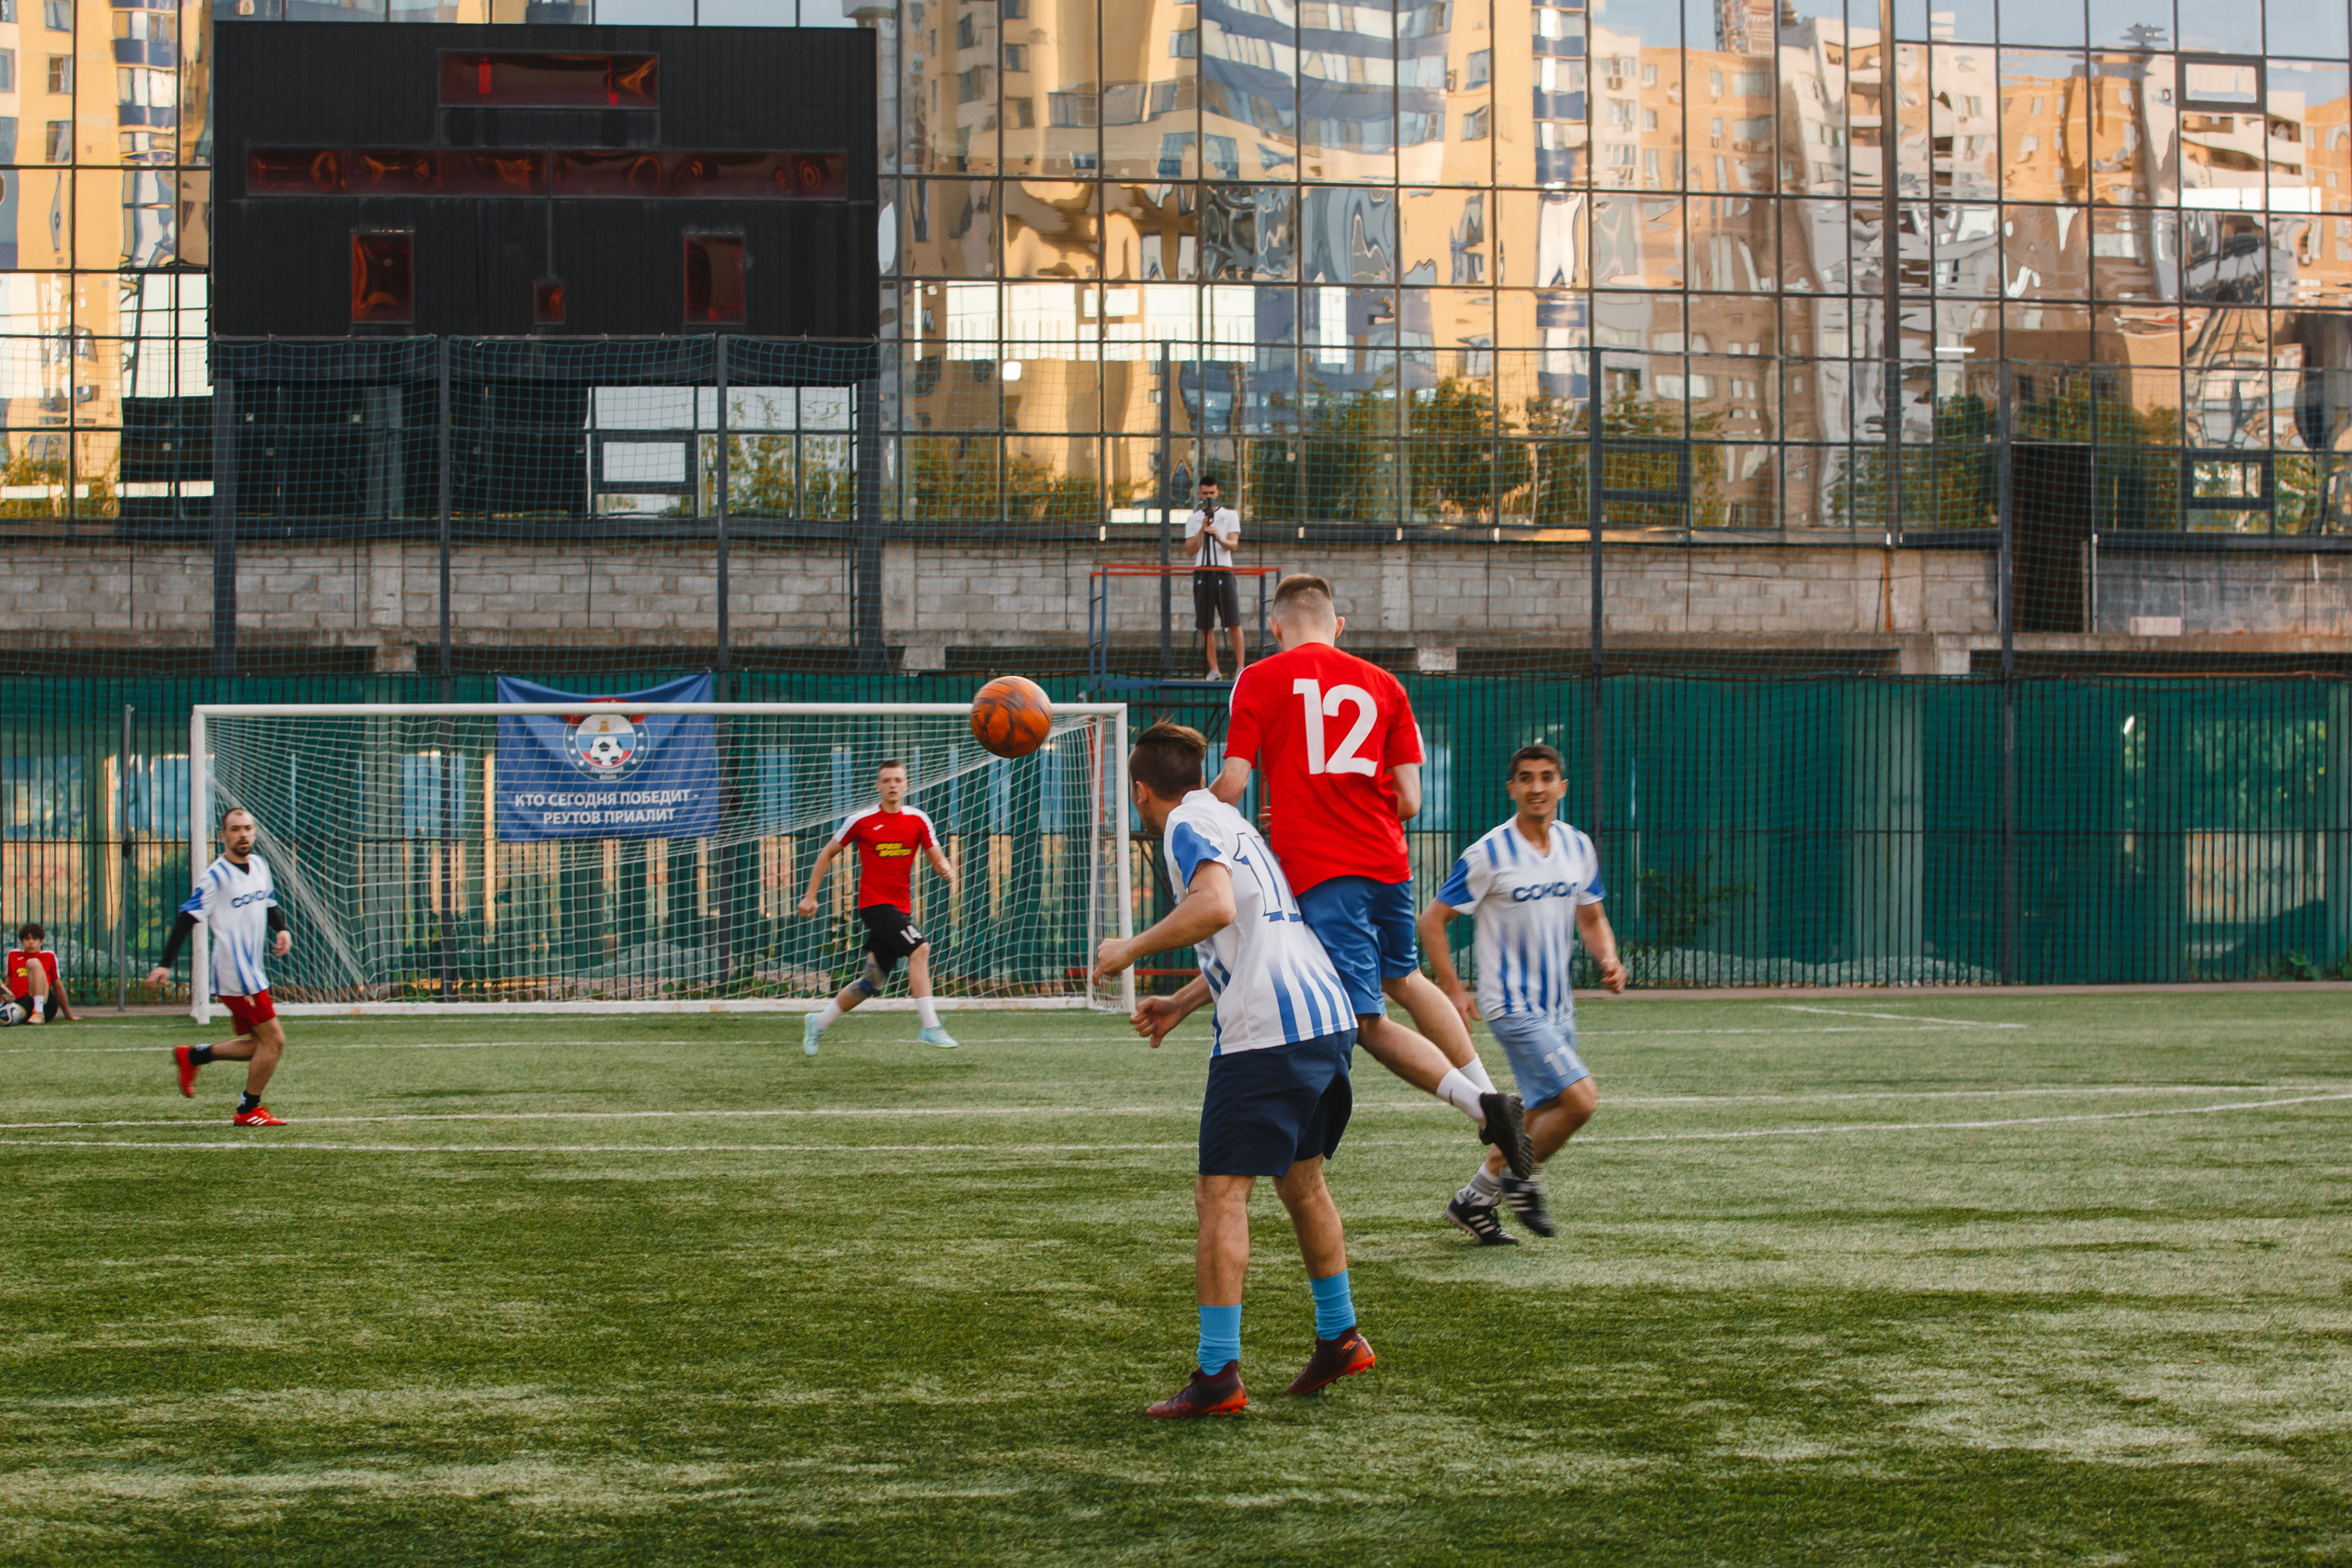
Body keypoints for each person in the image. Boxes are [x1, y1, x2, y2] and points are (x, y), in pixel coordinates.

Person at [1095, 721, 1375, 1418]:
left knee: (1220, 1194)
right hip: (1324, 1014)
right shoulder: (1228, 816)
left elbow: (1214, 905)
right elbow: (1249, 922)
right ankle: (1340, 1335)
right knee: (1303, 1180)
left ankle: (1218, 1375)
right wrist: (1186, 1002)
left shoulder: (1185, 824)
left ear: (1140, 790)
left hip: (1267, 1032)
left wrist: (1128, 948)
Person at [1214, 573, 1533, 1179]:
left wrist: (1184, 810)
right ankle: (1490, 1087)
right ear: (1338, 627)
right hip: (1387, 863)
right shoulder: (1386, 685)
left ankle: (1484, 1106)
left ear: (1274, 627)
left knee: (1365, 1022)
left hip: (1323, 872)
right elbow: (1409, 800)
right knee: (1405, 977)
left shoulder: (1257, 678)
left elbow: (1231, 785)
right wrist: (1339, 792)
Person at [1419, 743, 1626, 1245]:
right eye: (1526, 778)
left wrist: (1608, 958)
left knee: (1535, 1113)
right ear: (1511, 788)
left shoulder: (1577, 846)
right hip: (1511, 1005)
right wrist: (1452, 988)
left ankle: (1475, 1197)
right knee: (1581, 1102)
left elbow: (1592, 916)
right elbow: (1431, 921)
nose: (1537, 787)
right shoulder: (1488, 852)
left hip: (1559, 1007)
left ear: (1562, 787)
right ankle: (1517, 1179)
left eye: (1547, 777)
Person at [797, 760, 960, 1055]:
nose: (892, 785)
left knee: (872, 981)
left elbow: (936, 856)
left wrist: (945, 867)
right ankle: (930, 1027)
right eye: (886, 781)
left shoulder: (918, 820)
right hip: (874, 905)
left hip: (900, 909)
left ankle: (818, 1022)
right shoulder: (861, 820)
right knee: (920, 949)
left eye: (898, 780)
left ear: (906, 784)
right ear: (878, 785)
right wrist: (810, 896)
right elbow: (826, 854)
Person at [148, 806, 293, 1126]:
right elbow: (187, 917)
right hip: (236, 975)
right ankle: (248, 1109)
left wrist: (280, 928)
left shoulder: (259, 865)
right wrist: (164, 965)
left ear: (254, 832)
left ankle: (194, 1056)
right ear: (223, 835)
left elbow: (268, 902)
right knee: (275, 1041)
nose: (243, 834)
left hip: (253, 971)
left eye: (248, 828)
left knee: (259, 1044)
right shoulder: (215, 876)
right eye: (236, 829)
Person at [1185, 474, 1246, 682]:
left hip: (1223, 571)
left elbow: (1234, 545)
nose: (1209, 497)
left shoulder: (1230, 515)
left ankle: (1240, 668)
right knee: (1205, 624)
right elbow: (1190, 550)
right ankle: (1215, 670)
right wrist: (1202, 531)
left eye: (1212, 493)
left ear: (1217, 493)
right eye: (1205, 494)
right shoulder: (1193, 518)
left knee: (1233, 621)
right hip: (1202, 571)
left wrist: (1218, 536)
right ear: (1199, 494)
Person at [6, 921, 76, 1023]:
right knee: (8, 1017)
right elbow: (7, 984)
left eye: (34, 939)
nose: (31, 942)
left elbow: (57, 987)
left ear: (41, 941)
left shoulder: (49, 956)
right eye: (27, 939)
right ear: (21, 942)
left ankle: (39, 1012)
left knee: (33, 962)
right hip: (21, 1002)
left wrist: (68, 1015)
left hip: (44, 1003)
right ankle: (20, 1015)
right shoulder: (13, 955)